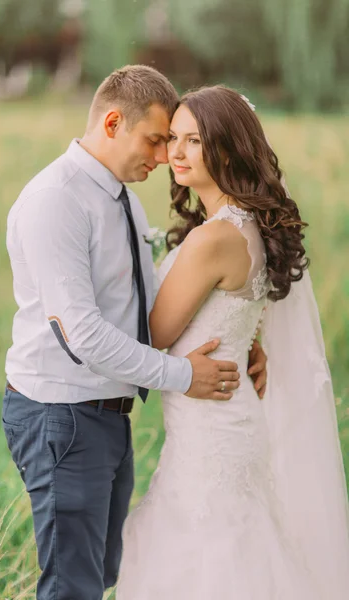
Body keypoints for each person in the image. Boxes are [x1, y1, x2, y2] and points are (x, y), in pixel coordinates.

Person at [2, 66, 267, 600]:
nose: (164, 155)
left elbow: (151, 299)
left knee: (101, 575)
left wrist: (241, 335)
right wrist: (181, 374)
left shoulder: (120, 195)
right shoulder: (58, 199)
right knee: (72, 585)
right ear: (113, 122)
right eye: (156, 139)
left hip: (106, 417)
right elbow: (82, 335)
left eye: (173, 140)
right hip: (64, 416)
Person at [116, 85, 349, 599]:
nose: (174, 152)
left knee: (208, 555)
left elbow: (152, 334)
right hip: (226, 416)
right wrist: (248, 344)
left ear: (225, 148)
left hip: (211, 426)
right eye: (172, 137)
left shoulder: (213, 239)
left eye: (193, 141)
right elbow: (236, 314)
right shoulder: (248, 227)